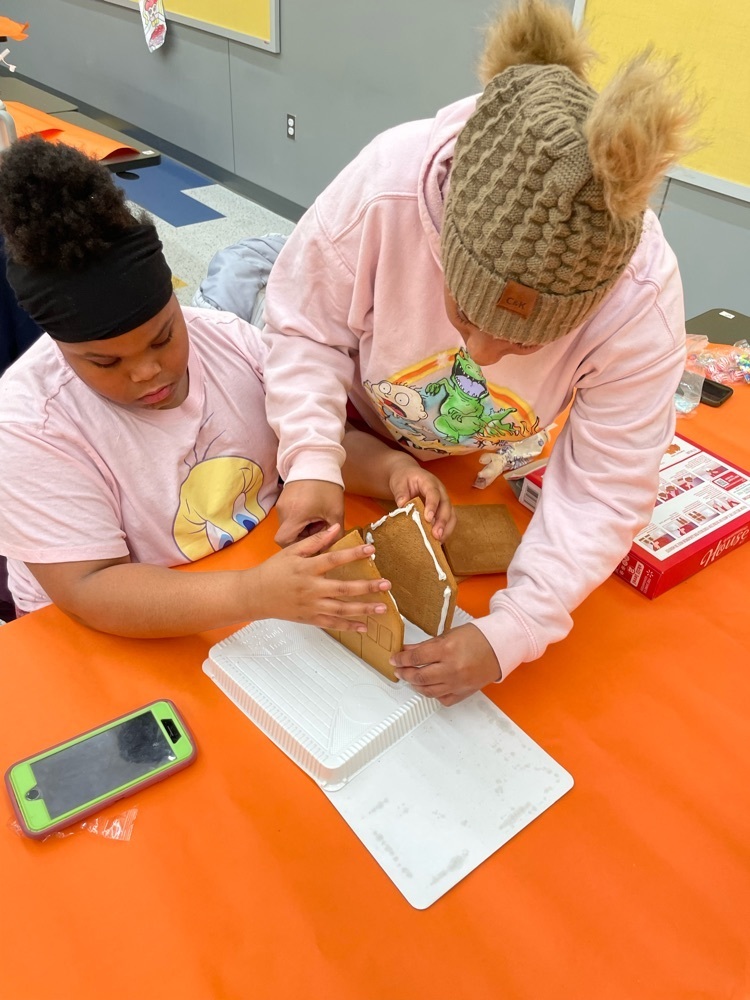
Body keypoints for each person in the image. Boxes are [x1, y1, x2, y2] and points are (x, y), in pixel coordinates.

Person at [259, 0, 698, 704]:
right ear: (444, 243)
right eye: (462, 313)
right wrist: (312, 455)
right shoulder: (390, 187)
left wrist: (514, 631)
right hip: (346, 432)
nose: (486, 356)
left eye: (528, 339)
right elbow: (304, 328)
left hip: (458, 467)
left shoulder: (640, 299)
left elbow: (607, 487)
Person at [0, 136, 453, 637]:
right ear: (61, 348)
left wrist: (393, 470)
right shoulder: (28, 426)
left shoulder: (229, 342)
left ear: (176, 303)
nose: (146, 372)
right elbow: (89, 590)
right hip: (111, 631)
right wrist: (252, 593)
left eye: (163, 337)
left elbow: (320, 445)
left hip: (254, 591)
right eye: (105, 362)